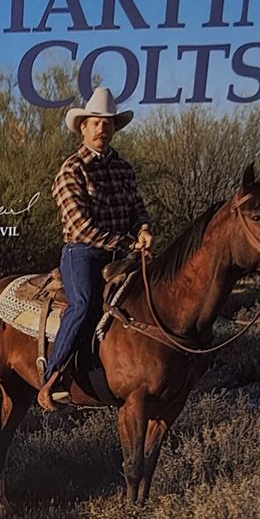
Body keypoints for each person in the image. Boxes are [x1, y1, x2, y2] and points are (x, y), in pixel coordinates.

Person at [37, 85, 156, 411]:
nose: (102, 128)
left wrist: (144, 230)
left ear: (114, 128)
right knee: (84, 303)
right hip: (83, 253)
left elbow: (138, 210)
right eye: (96, 123)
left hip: (122, 254)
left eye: (108, 123)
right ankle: (53, 376)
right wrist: (127, 242)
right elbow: (80, 227)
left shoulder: (124, 169)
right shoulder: (71, 170)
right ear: (84, 128)